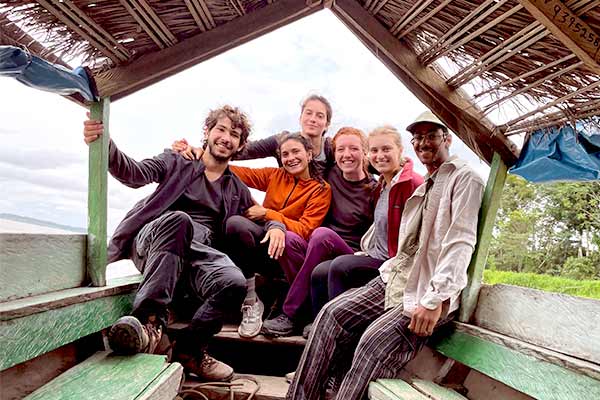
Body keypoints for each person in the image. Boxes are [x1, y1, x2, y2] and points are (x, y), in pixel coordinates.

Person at [286, 111, 485, 400]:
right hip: (399, 277)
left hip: (429, 292)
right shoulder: (428, 183)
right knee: (329, 315)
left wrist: (435, 300)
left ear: (448, 138)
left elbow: (461, 241)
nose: (423, 142)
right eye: (418, 137)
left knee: (373, 340)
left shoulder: (465, 179)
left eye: (432, 135)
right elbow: (407, 245)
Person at [83, 105, 285, 382]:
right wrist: (105, 143)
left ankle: (189, 351)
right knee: (180, 220)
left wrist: (276, 227)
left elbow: (260, 215)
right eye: (221, 129)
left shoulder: (235, 187)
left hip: (197, 257)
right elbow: (134, 173)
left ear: (240, 144)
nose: (226, 137)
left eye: (234, 134)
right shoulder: (177, 160)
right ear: (208, 132)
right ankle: (149, 324)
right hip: (157, 241)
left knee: (232, 281)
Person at [260, 127, 379, 337]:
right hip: (320, 249)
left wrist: (399, 163)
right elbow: (303, 154)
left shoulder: (374, 189)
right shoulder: (330, 175)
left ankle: (290, 313)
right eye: (341, 149)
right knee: (288, 238)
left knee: (321, 234)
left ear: (365, 152)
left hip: (350, 255)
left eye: (354, 149)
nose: (347, 154)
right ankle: (308, 313)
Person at [305, 126, 423, 335]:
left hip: (392, 261)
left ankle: (340, 333)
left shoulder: (412, 183)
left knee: (342, 266)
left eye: (386, 149)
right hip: (375, 253)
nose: (380, 156)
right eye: (375, 151)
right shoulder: (382, 186)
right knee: (319, 272)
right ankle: (318, 329)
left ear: (400, 150)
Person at [225, 133, 332, 338]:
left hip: (291, 255)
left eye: (296, 152)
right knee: (235, 224)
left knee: (290, 238)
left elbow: (306, 229)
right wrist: (200, 154)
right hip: (266, 247)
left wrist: (269, 215)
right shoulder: (275, 176)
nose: (290, 158)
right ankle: (250, 297)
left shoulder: (320, 189)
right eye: (285, 154)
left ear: (309, 154)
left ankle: (294, 309)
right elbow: (235, 171)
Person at [175, 94, 335, 174]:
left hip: (322, 207)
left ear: (327, 124)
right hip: (291, 203)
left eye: (320, 116)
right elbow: (240, 150)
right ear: (300, 118)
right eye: (308, 113)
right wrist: (198, 151)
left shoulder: (331, 149)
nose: (313, 119)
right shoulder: (282, 140)